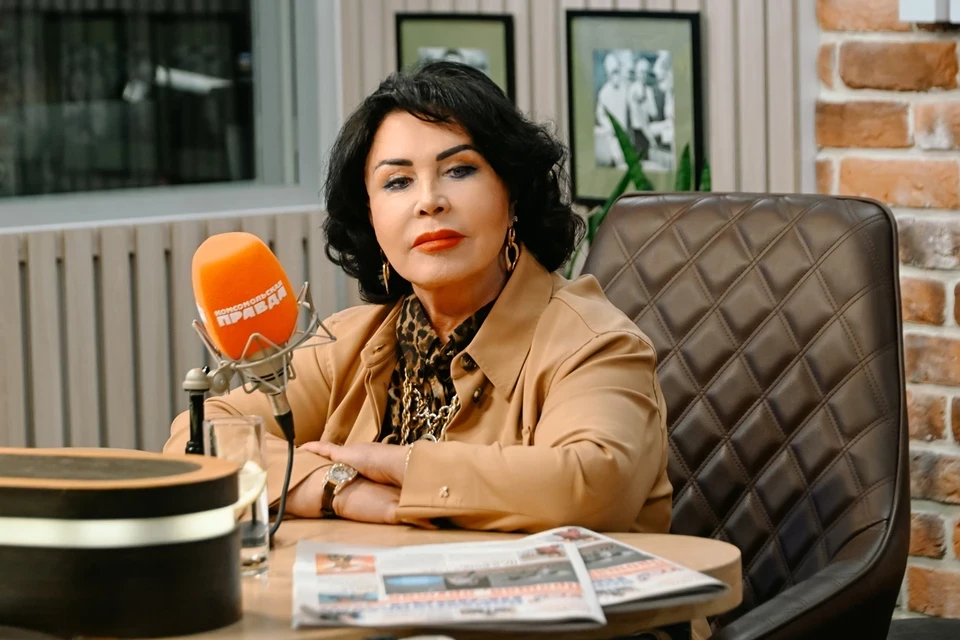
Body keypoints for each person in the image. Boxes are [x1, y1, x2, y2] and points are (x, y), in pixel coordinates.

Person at [164, 60, 671, 535]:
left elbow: (593, 482)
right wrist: (340, 488)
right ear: (370, 217)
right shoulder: (351, 341)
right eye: (398, 181)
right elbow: (200, 437)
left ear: (512, 193)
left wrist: (399, 465)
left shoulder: (596, 343)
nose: (429, 201)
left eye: (460, 170)